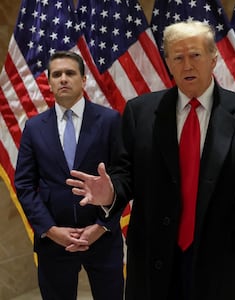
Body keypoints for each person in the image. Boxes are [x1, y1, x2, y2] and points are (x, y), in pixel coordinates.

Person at [66, 21, 235, 300]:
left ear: (213, 59)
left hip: (220, 258)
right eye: (178, 57)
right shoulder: (139, 112)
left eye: (195, 55)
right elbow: (124, 174)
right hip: (154, 256)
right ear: (167, 63)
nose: (187, 65)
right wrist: (111, 193)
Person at [14, 51, 124, 300]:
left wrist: (101, 226)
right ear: (49, 82)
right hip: (54, 242)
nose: (63, 79)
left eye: (70, 73)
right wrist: (51, 230)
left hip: (103, 239)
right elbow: (24, 184)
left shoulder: (109, 120)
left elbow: (123, 178)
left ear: (83, 80)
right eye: (57, 74)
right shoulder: (33, 127)